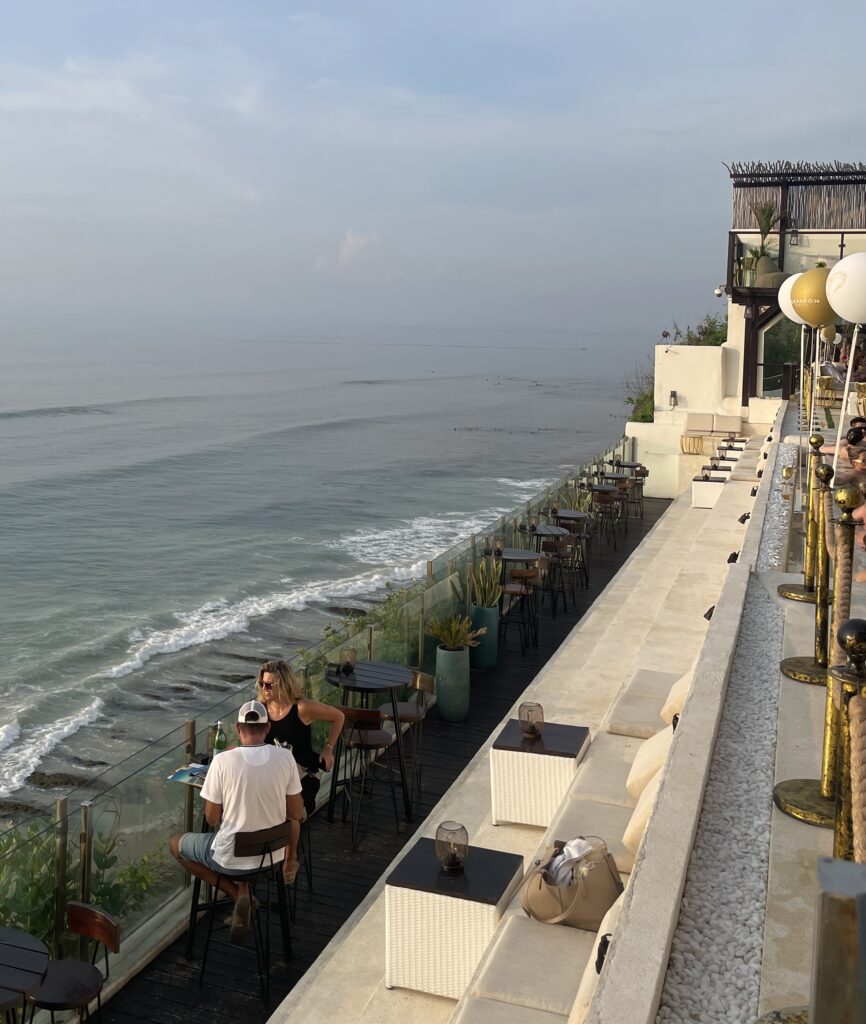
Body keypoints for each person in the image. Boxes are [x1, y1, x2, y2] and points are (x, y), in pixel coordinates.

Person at [169, 699, 303, 945]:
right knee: (245, 834)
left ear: (238, 730)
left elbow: (212, 819)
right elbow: (296, 813)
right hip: (272, 856)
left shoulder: (222, 762)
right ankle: (243, 891)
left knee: (176, 844)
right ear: (267, 729)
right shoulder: (285, 758)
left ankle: (238, 894)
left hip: (230, 858)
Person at [255, 659, 345, 882]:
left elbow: (339, 717)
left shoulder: (301, 708)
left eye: (269, 685)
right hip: (271, 777)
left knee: (289, 811)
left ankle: (290, 857)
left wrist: (328, 748)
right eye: (261, 684)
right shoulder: (260, 709)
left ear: (283, 685)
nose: (263, 689)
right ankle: (252, 857)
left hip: (302, 776)